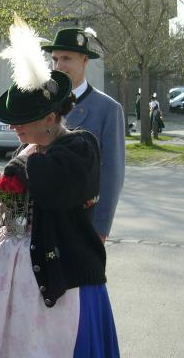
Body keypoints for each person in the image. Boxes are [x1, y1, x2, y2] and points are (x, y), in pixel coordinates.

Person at [0, 16, 119, 357]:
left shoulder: (80, 146)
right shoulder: (31, 148)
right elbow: (26, 185)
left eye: (22, 122)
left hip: (64, 278)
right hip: (18, 276)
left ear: (50, 119)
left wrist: (15, 171)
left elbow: (50, 187)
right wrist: (6, 202)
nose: (14, 128)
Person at [42, 27, 125, 242]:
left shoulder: (107, 109)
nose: (59, 66)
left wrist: (100, 228)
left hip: (82, 223)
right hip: (42, 220)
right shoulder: (44, 103)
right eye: (55, 59)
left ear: (85, 60)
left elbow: (112, 174)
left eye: (66, 58)